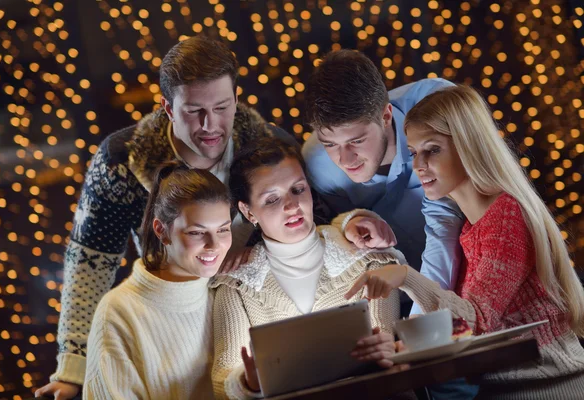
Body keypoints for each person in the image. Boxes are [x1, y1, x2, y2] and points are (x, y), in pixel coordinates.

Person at [36, 35, 296, 399]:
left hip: (252, 322)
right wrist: (74, 369)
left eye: (221, 107)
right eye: (194, 111)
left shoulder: (272, 150)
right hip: (168, 330)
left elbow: (316, 227)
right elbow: (89, 263)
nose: (210, 125)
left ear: (237, 100)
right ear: (168, 109)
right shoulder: (119, 160)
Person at [347, 85, 584, 399]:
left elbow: (478, 323)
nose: (419, 165)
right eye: (415, 151)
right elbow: (459, 327)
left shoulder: (506, 215)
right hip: (504, 386)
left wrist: (406, 277)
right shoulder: (470, 229)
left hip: (548, 386)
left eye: (433, 149)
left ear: (468, 145)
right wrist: (395, 342)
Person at [210, 139, 414, 400]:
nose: (292, 206)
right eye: (272, 199)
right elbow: (222, 378)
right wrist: (247, 383)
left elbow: (387, 343)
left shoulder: (368, 257)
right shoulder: (237, 285)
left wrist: (390, 350)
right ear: (248, 212)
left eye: (298, 189)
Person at [302, 49, 463, 317]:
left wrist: (427, 317)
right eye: (331, 143)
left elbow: (448, 218)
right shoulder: (318, 164)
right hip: (394, 301)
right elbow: (344, 247)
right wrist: (349, 224)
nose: (344, 159)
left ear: (386, 116)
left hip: (474, 272)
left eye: (356, 140)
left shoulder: (440, 106)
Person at [84, 164, 232, 399]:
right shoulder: (118, 312)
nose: (214, 245)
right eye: (196, 232)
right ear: (161, 231)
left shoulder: (230, 288)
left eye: (223, 230)